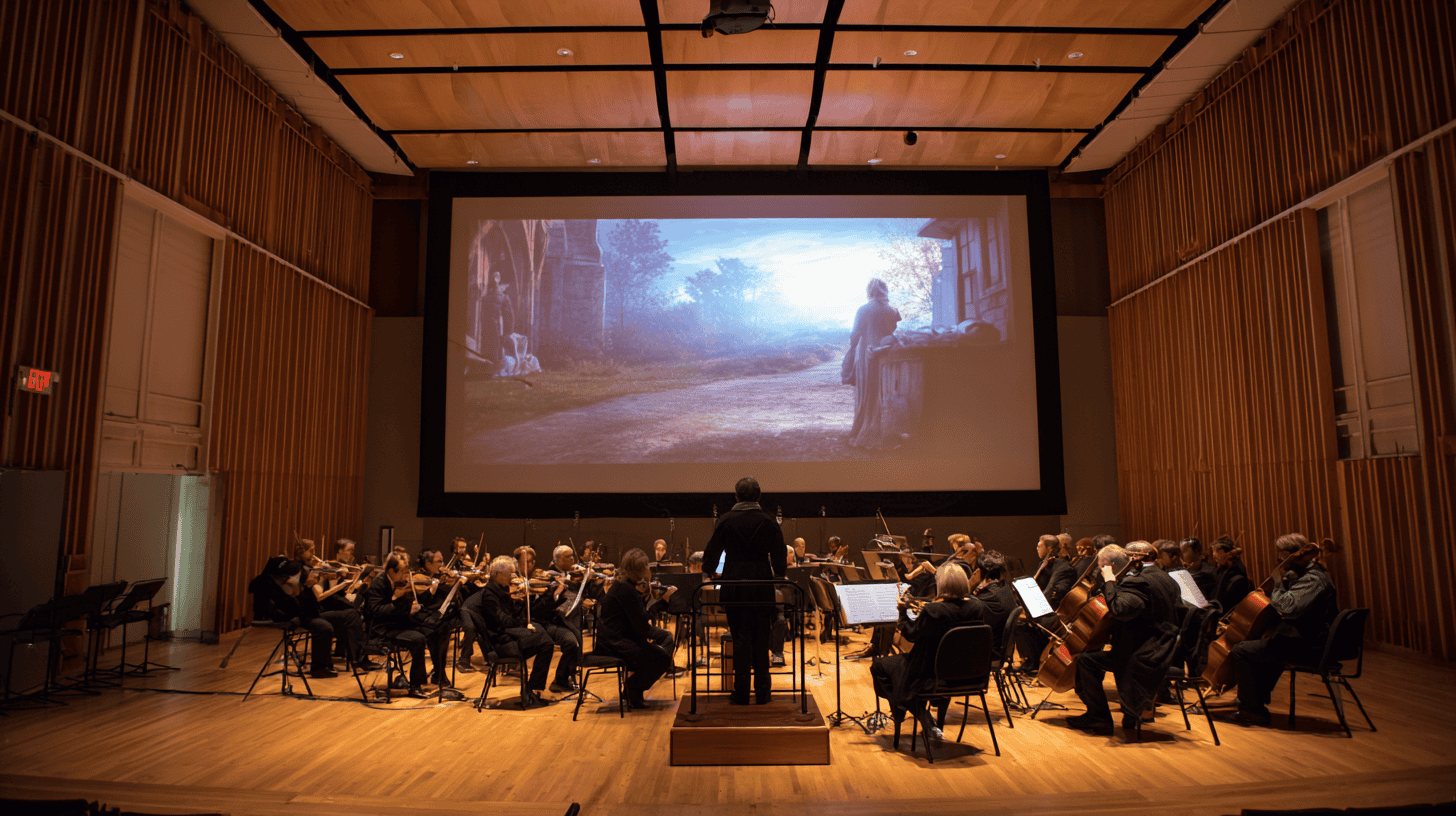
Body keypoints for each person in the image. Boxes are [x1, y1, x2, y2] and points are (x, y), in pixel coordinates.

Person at [870, 562, 992, 740]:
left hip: (929, 675)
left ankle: (913, 710)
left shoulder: (934, 611)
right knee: (904, 668)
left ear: (941, 585)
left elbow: (911, 635)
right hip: (967, 675)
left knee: (879, 666)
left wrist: (902, 612)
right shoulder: (977, 607)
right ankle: (930, 719)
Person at [1067, 544, 1181, 732]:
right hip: (1165, 649)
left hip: (1143, 656)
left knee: (1085, 660)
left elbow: (1120, 609)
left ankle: (1098, 717)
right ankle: (1125, 713)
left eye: (1101, 568)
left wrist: (1109, 581)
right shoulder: (1166, 578)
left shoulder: (1137, 583)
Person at [1227, 534, 1338, 726]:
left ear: (1296, 555)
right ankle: (1255, 699)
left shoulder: (1314, 580)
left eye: (1282, 555)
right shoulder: (1306, 575)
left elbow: (1287, 607)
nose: (1280, 560)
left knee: (1242, 650)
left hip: (1311, 647)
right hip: (1305, 641)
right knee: (1268, 644)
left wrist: (1278, 582)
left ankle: (1252, 710)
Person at [703, 476, 786, 705]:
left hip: (734, 585)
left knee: (739, 638)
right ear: (759, 496)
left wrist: (709, 570)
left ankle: (740, 693)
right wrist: (779, 573)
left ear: (736, 496)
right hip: (762, 586)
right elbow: (779, 559)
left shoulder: (726, 520)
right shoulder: (769, 521)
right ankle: (763, 692)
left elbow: (711, 555)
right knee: (762, 639)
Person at [597, 548, 676, 709]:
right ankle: (631, 690)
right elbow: (641, 626)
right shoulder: (626, 590)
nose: (648, 569)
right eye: (646, 566)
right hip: (615, 644)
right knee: (661, 658)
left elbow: (638, 620)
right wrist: (661, 603)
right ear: (639, 569)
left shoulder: (622, 586)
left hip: (614, 640)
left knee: (656, 652)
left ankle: (633, 692)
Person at [362, 553, 450, 697]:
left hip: (401, 621)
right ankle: (415, 685)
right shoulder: (378, 585)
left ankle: (439, 674)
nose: (406, 576)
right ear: (391, 571)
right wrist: (396, 600)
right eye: (403, 572)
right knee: (417, 639)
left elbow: (416, 601)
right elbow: (376, 611)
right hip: (383, 629)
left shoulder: (402, 583)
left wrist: (425, 596)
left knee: (440, 627)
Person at [472, 555, 554, 703]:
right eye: (510, 574)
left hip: (506, 636)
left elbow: (510, 616)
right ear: (497, 574)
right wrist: (523, 623)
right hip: (501, 645)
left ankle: (531, 690)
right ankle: (531, 690)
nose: (513, 577)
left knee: (542, 635)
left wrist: (521, 602)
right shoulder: (489, 596)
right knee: (546, 642)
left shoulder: (499, 591)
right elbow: (505, 621)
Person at [248, 557, 341, 679]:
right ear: (281, 574)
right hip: (281, 618)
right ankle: (319, 668)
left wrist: (306, 589)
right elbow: (288, 607)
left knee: (329, 621)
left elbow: (298, 606)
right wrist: (300, 593)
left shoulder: (283, 583)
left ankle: (327, 664)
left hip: (293, 614)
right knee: (323, 626)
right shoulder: (268, 584)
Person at [513, 545, 582, 693]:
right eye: (526, 562)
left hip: (547, 622)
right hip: (528, 623)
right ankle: (534, 688)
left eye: (532, 561)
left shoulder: (542, 579)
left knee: (572, 642)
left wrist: (555, 594)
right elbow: (531, 612)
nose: (530, 565)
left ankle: (561, 679)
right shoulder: (514, 581)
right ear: (517, 562)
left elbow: (545, 609)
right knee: (546, 644)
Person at [843, 277, 901, 448]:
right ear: (885, 290)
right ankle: (884, 430)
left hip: (867, 356)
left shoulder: (863, 310)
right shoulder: (893, 311)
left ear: (869, 292)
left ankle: (864, 430)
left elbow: (855, 334)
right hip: (887, 356)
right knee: (883, 392)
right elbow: (892, 331)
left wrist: (851, 352)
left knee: (867, 393)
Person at [1014, 534, 1077, 674]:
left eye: (1039, 546)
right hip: (1043, 609)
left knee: (1018, 619)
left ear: (1050, 548)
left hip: (1054, 614)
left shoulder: (1064, 567)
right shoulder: (1045, 564)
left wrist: (1033, 604)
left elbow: (1054, 594)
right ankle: (1030, 660)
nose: (1037, 548)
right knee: (1016, 615)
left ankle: (1031, 661)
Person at [973, 550, 1019, 655]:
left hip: (986, 651)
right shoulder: (1005, 588)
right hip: (999, 647)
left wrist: (970, 586)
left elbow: (968, 610)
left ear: (979, 571)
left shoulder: (987, 596)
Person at [1210, 536, 1253, 612]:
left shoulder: (1238, 579)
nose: (1213, 555)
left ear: (1225, 553)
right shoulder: (1222, 572)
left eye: (1216, 551)